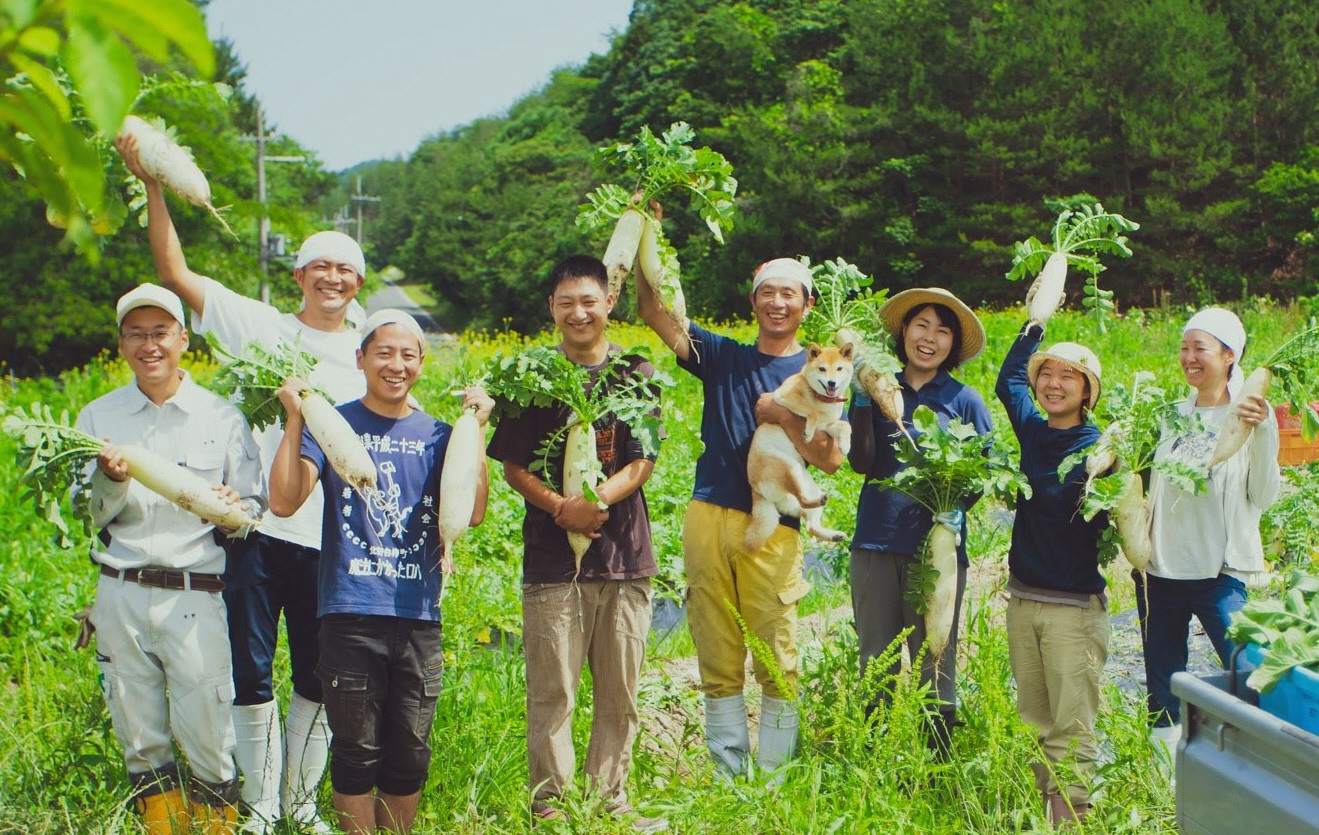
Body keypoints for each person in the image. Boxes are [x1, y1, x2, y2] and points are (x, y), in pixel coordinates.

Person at [118, 135, 368, 831]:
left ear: (357, 283)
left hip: (331, 543)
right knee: (251, 673)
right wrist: (156, 184)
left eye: (344, 270)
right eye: (319, 266)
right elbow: (172, 268)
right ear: (297, 277)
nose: (331, 278)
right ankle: (259, 806)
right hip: (255, 532)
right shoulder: (259, 326)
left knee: (318, 675)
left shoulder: (369, 350)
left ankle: (301, 803)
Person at [268, 309, 492, 835]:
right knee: (356, 753)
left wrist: (474, 431)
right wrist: (296, 415)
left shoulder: (440, 434)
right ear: (361, 359)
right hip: (350, 611)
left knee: (409, 754)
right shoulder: (333, 425)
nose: (396, 364)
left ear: (421, 363)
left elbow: (474, 512)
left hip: (419, 614)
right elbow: (283, 500)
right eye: (384, 353)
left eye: (408, 354)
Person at [636, 251, 845, 782]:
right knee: (715, 645)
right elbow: (653, 310)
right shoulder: (722, 355)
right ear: (753, 301)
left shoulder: (825, 375)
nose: (778, 303)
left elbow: (832, 460)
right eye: (768, 293)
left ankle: (775, 778)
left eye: (789, 294)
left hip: (775, 522)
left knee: (777, 648)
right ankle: (729, 777)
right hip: (709, 511)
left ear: (807, 304)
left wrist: (780, 417)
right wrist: (645, 240)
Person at [76, 284, 265, 834]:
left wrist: (235, 507)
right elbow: (84, 510)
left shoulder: (221, 416)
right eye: (136, 334)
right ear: (121, 343)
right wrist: (109, 482)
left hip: (196, 592)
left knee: (208, 725)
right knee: (137, 730)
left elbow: (253, 505)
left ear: (184, 339)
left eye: (160, 333)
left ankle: (215, 826)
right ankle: (161, 826)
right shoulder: (98, 417)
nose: (149, 345)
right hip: (120, 590)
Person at [486, 256, 667, 830]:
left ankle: (610, 799)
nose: (579, 312)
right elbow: (514, 466)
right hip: (550, 564)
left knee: (620, 695)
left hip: (623, 561)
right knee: (552, 693)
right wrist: (562, 508)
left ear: (608, 303)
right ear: (552, 310)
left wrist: (596, 501)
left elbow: (643, 459)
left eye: (589, 301)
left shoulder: (636, 370)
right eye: (566, 303)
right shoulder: (532, 376)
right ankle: (553, 806)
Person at [846, 288, 990, 751]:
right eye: (921, 325)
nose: (929, 338)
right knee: (876, 661)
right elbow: (861, 463)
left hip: (939, 551)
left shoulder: (964, 401)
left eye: (942, 331)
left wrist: (958, 512)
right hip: (875, 542)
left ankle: (937, 775)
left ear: (952, 345)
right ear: (904, 332)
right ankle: (872, 771)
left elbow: (984, 472)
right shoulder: (877, 384)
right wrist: (862, 398)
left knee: (937, 660)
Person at [1139, 307, 1280, 765]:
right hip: (1163, 571)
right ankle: (1167, 780)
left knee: (1248, 670)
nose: (1189, 357)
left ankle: (1264, 764)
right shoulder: (1169, 415)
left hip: (1219, 571)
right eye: (1184, 348)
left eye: (1200, 348)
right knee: (1162, 683)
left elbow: (1264, 495)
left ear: (1229, 355)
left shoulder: (1252, 414)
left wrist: (1260, 435)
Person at [996, 320, 1109, 827]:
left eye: (1070, 376)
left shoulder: (1103, 448)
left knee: (1073, 726)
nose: (1054, 383)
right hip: (1023, 601)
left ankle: (1073, 820)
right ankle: (1053, 817)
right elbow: (1007, 382)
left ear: (1087, 392)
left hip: (1073, 609)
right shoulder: (1034, 431)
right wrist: (1033, 327)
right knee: (1037, 722)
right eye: (1048, 373)